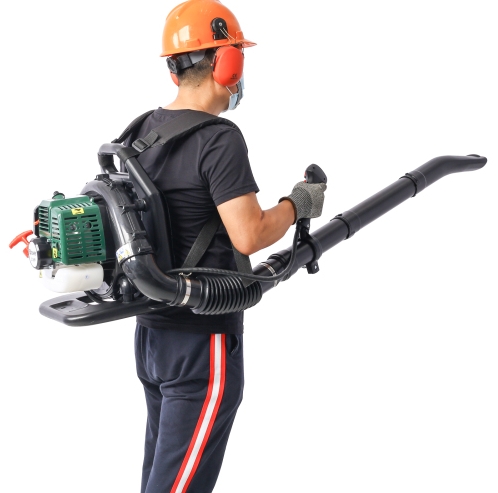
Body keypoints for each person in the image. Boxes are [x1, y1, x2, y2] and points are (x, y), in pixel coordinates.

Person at [125, 1, 327, 492]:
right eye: (238, 55)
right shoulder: (218, 139)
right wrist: (299, 203)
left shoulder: (141, 131)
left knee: (164, 480)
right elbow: (249, 234)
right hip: (202, 340)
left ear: (173, 68)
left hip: (152, 338)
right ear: (226, 62)